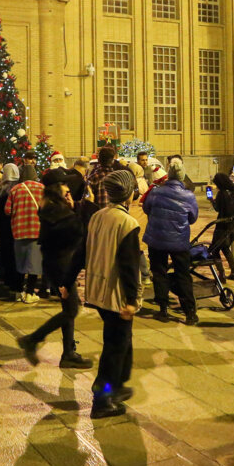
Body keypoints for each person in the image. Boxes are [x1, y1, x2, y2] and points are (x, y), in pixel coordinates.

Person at [85, 170, 143, 419]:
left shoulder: (98, 215)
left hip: (97, 290)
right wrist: (132, 301)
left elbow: (82, 250)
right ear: (129, 193)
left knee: (120, 342)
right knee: (114, 347)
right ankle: (102, 398)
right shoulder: (127, 222)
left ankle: (117, 386)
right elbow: (130, 266)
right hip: (115, 294)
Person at [19, 178, 92, 369]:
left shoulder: (51, 210)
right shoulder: (58, 213)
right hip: (62, 267)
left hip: (58, 264)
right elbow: (78, 230)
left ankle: (68, 352)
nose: (70, 196)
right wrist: (83, 207)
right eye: (66, 193)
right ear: (58, 195)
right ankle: (33, 339)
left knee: (69, 309)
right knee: (72, 310)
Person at [144, 163, 200, 325]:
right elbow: (193, 218)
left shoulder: (155, 192)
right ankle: (189, 312)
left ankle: (163, 309)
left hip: (156, 238)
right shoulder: (188, 196)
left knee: (159, 272)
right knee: (183, 274)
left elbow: (147, 209)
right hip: (179, 240)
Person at [5, 162, 46, 302]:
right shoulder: (42, 188)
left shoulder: (15, 190)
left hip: (19, 230)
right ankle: (30, 293)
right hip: (37, 230)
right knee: (35, 263)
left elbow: (7, 210)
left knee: (20, 262)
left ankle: (17, 291)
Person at [0, 163, 23, 296]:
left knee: (5, 251)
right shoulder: (19, 188)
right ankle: (15, 280)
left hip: (2, 225)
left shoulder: (0, 189)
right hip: (16, 224)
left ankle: (5, 276)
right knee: (15, 253)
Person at [209, 172, 234, 281]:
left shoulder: (222, 194)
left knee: (214, 250)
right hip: (233, 224)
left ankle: (221, 274)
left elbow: (217, 208)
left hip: (222, 224)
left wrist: (211, 199)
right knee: (225, 247)